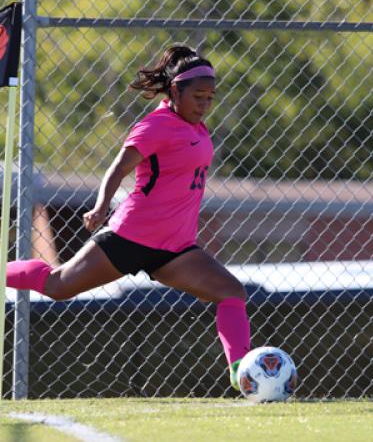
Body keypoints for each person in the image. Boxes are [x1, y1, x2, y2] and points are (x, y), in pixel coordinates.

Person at [6, 44, 250, 391]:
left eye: (210, 96)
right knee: (57, 286)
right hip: (130, 237)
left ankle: (243, 373)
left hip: (176, 248)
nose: (205, 103)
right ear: (175, 91)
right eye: (198, 96)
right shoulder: (157, 125)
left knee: (231, 292)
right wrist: (102, 205)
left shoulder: (200, 128)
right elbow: (118, 168)